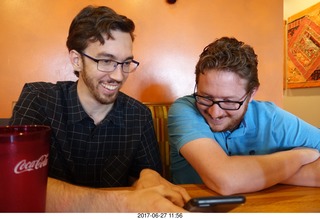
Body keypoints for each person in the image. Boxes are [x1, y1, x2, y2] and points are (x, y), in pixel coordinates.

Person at [9, 5, 190, 212]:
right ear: (76, 60)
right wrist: (123, 204)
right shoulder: (38, 99)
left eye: (125, 63)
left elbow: (151, 182)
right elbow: (16, 185)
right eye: (106, 61)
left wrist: (148, 175)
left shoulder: (138, 115)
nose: (119, 76)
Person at [168, 36, 320, 195]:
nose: (215, 112)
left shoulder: (272, 118)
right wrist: (300, 157)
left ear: (252, 93)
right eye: (205, 97)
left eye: (229, 101)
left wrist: (251, 175)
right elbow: (225, 180)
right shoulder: (184, 109)